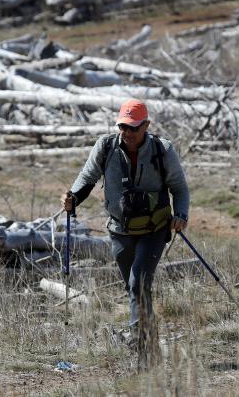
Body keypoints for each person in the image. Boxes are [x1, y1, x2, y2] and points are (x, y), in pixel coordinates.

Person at [61, 99, 189, 364]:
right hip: (120, 230)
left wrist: (181, 215)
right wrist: (73, 197)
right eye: (122, 126)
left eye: (133, 127)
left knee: (138, 282)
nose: (127, 133)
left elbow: (179, 187)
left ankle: (141, 350)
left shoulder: (162, 150)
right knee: (135, 289)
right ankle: (150, 345)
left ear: (146, 125)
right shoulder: (106, 147)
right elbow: (87, 177)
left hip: (154, 229)